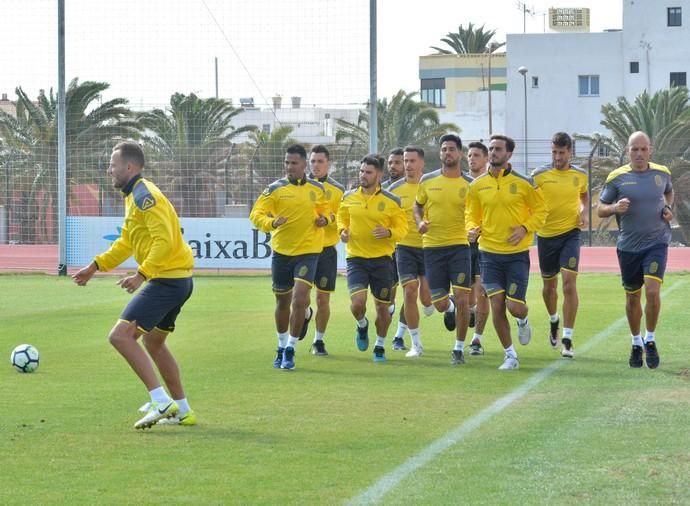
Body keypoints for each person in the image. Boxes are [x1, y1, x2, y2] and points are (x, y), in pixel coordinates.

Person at [72, 141, 196, 429]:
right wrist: (96, 266)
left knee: (120, 337)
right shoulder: (134, 196)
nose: (109, 170)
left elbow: (164, 240)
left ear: (129, 167)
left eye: (113, 165)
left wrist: (142, 273)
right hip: (176, 280)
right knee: (154, 343)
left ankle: (161, 401)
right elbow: (126, 241)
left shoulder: (144, 196)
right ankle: (183, 410)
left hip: (167, 280)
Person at [466, 134, 547, 370]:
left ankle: (523, 320)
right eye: (491, 149)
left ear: (509, 154)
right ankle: (510, 355)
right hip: (489, 254)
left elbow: (541, 211)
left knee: (514, 306)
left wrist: (525, 228)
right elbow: (471, 213)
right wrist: (471, 229)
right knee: (497, 305)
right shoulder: (477, 185)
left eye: (498, 149)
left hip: (516, 255)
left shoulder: (525, 183)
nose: (493, 153)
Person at [249, 144, 330, 371]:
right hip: (282, 253)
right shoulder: (274, 189)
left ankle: (291, 350)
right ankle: (281, 345)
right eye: (287, 163)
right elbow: (256, 214)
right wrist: (271, 223)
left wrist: (326, 219)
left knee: (299, 299)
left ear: (304, 165)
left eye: (294, 163)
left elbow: (327, 211)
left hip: (309, 251)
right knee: (282, 301)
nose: (289, 167)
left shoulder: (317, 188)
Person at [598, 131, 673, 369]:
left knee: (652, 291)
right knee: (632, 297)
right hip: (629, 246)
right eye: (634, 149)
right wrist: (614, 208)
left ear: (650, 150)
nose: (639, 153)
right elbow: (600, 208)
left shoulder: (662, 173)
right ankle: (635, 342)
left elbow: (669, 191)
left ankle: (650, 340)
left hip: (657, 242)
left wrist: (668, 207)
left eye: (643, 149)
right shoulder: (617, 177)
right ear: (627, 151)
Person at [337, 154, 408, 362]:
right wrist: (342, 230)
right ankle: (362, 325)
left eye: (368, 172)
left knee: (382, 308)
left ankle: (379, 346)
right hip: (356, 259)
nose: (363, 175)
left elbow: (402, 228)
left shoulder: (392, 200)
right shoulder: (348, 197)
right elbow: (342, 217)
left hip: (382, 261)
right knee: (358, 304)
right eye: (361, 171)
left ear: (379, 174)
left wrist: (389, 233)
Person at [414, 134, 474, 365]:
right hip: (432, 248)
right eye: (444, 149)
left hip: (459, 247)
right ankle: (448, 307)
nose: (447, 153)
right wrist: (420, 222)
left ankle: (458, 349)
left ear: (459, 153)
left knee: (463, 298)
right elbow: (417, 207)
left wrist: (474, 229)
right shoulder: (427, 181)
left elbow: (478, 211)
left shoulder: (470, 184)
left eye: (451, 149)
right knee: (437, 303)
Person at [532, 132, 588, 358]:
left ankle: (567, 337)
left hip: (570, 234)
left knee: (568, 284)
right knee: (549, 288)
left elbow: (583, 196)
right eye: (554, 152)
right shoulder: (538, 175)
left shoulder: (580, 175)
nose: (557, 156)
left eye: (561, 153)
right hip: (545, 237)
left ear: (570, 153)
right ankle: (554, 319)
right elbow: (528, 201)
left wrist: (583, 211)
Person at [388, 146, 435, 358]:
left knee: (426, 299)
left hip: (428, 247)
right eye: (405, 160)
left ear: (421, 163)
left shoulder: (432, 185)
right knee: (409, 291)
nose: (407, 165)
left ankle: (448, 304)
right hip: (404, 247)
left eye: (412, 161)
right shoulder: (394, 190)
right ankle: (415, 344)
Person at [306, 145, 345, 356]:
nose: (316, 165)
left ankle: (318, 340)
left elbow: (340, 218)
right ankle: (304, 313)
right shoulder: (300, 186)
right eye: (312, 161)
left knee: (323, 299)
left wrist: (327, 220)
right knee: (299, 298)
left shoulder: (338, 190)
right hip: (303, 251)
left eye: (320, 161)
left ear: (328, 163)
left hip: (326, 251)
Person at [465, 141, 491, 356]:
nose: (472, 158)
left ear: (486, 159)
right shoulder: (461, 183)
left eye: (476, 155)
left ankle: (477, 339)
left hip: (485, 246)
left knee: (483, 293)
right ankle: (467, 310)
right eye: (469, 155)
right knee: (463, 295)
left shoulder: (490, 184)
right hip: (460, 246)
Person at [383, 148, 407, 348]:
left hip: (410, 248)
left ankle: (399, 335)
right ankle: (381, 333)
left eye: (397, 162)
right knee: (387, 298)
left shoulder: (416, 188)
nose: (393, 166)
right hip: (387, 251)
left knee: (410, 292)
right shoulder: (380, 190)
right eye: (390, 163)